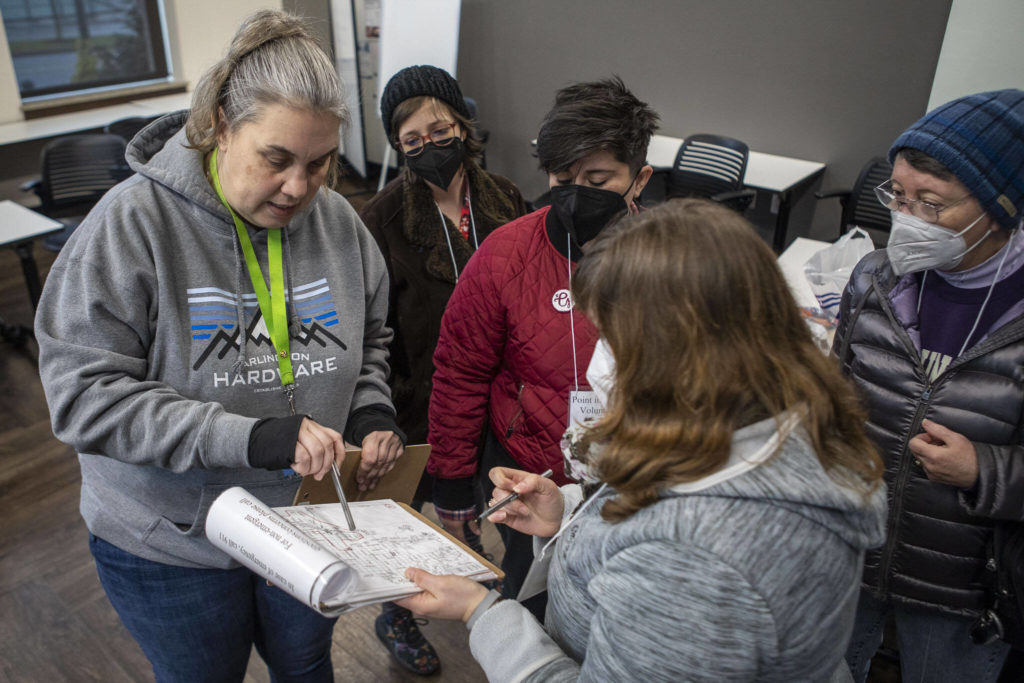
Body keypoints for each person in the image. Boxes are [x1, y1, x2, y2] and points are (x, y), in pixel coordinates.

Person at [34, 10, 404, 682]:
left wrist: (371, 413)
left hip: (307, 519)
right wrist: (253, 436)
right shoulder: (131, 225)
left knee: (305, 663)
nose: (300, 186)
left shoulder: (339, 223)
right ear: (220, 127)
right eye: (277, 159)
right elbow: (84, 399)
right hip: (172, 543)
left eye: (320, 162)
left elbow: (372, 338)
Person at [397, 199, 887, 681]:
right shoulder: (763, 423)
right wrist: (571, 511)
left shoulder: (696, 564)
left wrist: (483, 613)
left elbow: (671, 540)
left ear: (684, 352)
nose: (599, 361)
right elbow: (666, 500)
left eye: (612, 338)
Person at [427, 77, 657, 610]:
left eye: (598, 178)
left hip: (633, 488)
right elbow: (460, 371)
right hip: (526, 478)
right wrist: (454, 480)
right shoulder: (506, 255)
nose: (576, 191)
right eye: (563, 176)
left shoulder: (668, 262)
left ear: (639, 179)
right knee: (533, 607)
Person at [836, 89, 1024, 682]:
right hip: (852, 555)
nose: (906, 219)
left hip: (967, 588)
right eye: (898, 196)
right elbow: (835, 399)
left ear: (1003, 206)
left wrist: (983, 471)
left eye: (931, 203)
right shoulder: (875, 277)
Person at [358, 64, 526, 676]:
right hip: (419, 403)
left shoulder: (506, 197)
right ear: (399, 149)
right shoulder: (380, 220)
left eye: (441, 128)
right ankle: (396, 613)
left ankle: (482, 582)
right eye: (412, 139)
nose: (430, 145)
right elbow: (372, 330)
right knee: (407, 519)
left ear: (463, 124)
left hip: (505, 398)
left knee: (495, 501)